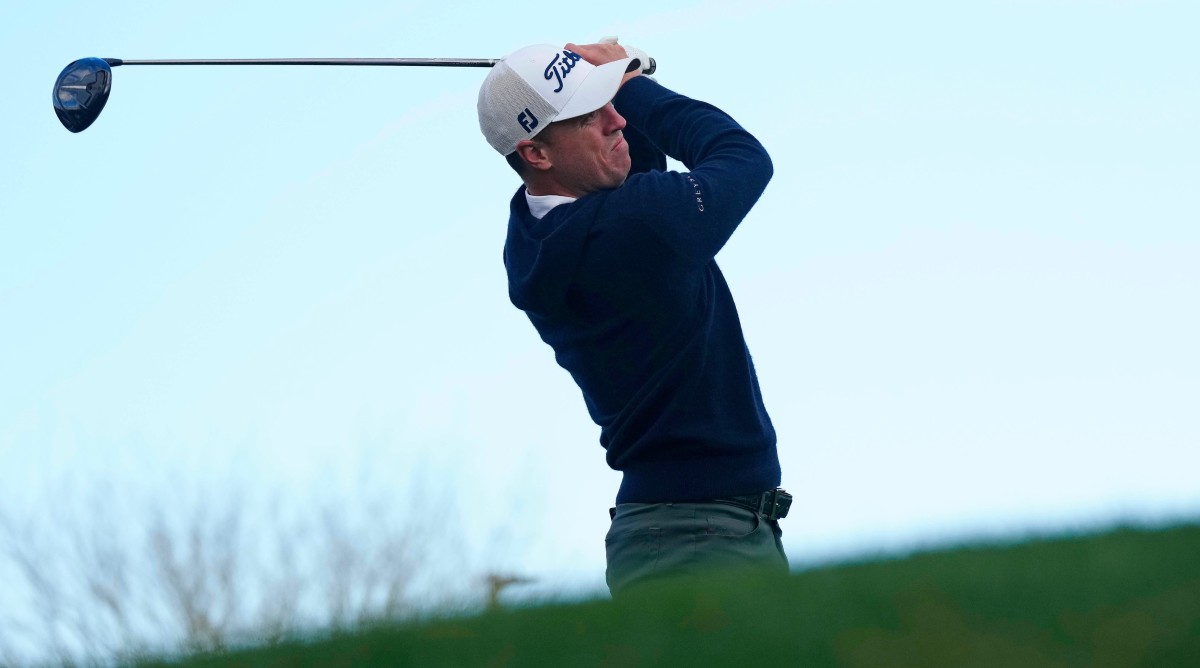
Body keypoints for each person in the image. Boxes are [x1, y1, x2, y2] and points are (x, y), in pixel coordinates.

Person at [477, 40, 790, 596]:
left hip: (682, 532)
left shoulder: (535, 238)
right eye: (590, 115)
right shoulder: (637, 226)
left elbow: (627, 167)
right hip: (701, 541)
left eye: (610, 104)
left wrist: (609, 81)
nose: (617, 121)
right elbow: (742, 158)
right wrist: (635, 84)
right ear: (537, 154)